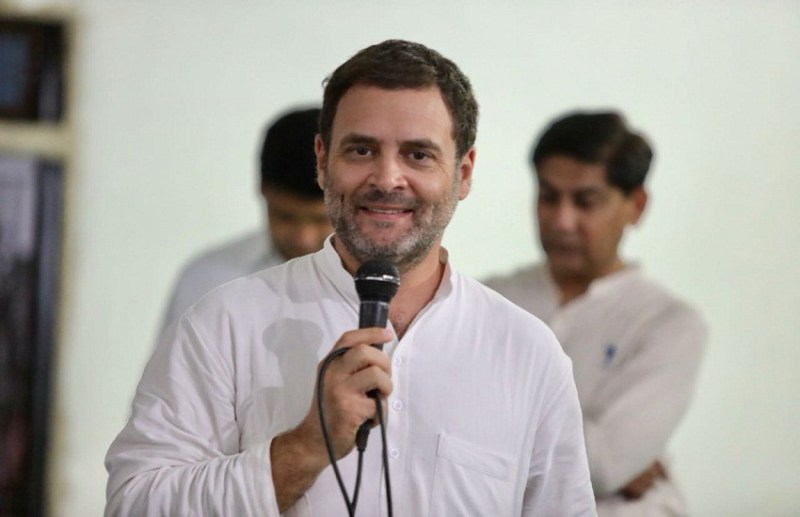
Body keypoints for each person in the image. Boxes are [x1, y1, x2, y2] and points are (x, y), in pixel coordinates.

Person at [105, 40, 596, 516]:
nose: (386, 179)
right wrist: (304, 448)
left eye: (418, 155)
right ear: (322, 161)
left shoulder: (527, 352)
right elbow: (134, 505)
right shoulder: (224, 323)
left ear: (464, 172)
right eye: (361, 150)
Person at [484, 111, 707, 515]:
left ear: (636, 206)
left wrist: (478, 429)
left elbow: (604, 465)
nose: (562, 221)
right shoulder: (489, 300)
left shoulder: (668, 325)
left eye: (586, 202)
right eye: (548, 197)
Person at [159, 106, 332, 330]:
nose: (303, 238)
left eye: (321, 220)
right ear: (262, 190)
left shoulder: (376, 283)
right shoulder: (207, 279)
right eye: (285, 216)